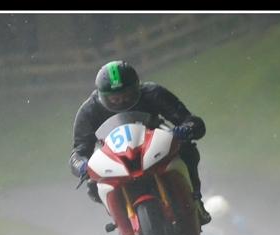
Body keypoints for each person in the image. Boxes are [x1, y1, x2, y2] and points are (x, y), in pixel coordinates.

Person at [69, 60, 211, 225]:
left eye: (127, 96)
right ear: (101, 96)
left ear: (137, 87)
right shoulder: (89, 110)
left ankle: (195, 198)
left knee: (187, 150)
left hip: (156, 150)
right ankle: (120, 222)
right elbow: (78, 151)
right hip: (116, 161)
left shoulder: (153, 93)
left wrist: (185, 130)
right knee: (93, 185)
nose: (121, 102)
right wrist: (82, 166)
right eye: (114, 99)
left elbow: (192, 121)